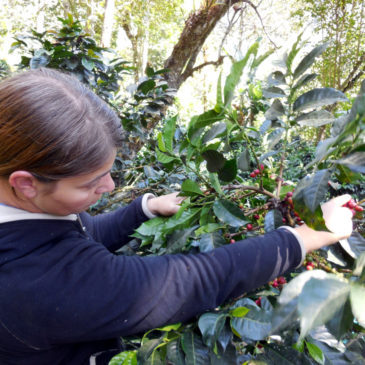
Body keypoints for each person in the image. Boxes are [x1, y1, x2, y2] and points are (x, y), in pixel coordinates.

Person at [0, 68, 353, 365]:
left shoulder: (25, 212)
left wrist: (146, 208)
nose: (109, 186)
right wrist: (309, 236)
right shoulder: (31, 282)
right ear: (26, 184)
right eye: (91, 182)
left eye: (109, 172)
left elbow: (82, 233)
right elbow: (189, 281)